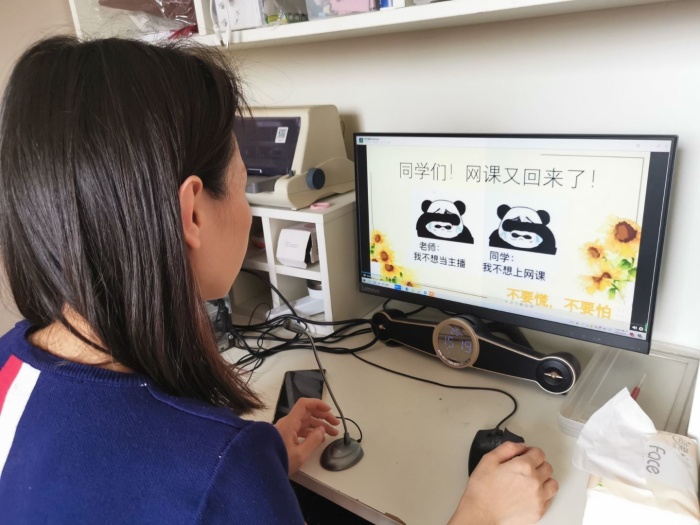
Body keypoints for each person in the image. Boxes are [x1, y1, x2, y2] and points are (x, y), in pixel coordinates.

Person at [0, 36, 557, 524]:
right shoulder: (219, 464)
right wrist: (481, 514)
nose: (246, 208)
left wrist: (261, 472)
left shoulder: (11, 361)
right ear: (192, 214)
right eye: (243, 184)